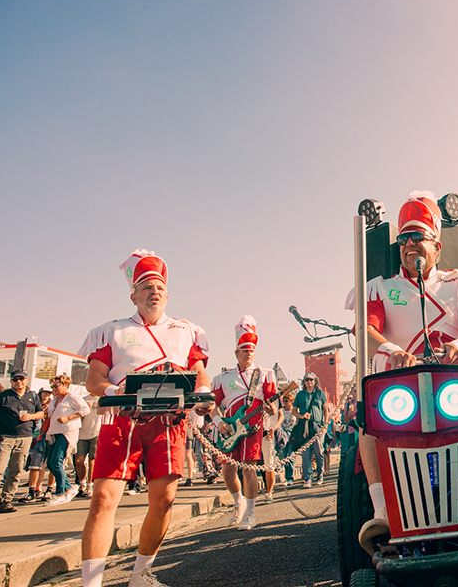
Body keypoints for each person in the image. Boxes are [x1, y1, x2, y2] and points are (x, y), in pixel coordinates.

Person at [345, 190, 458, 552]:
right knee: (370, 421)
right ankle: (383, 514)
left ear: (437, 246)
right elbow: (365, 329)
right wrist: (391, 349)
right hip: (401, 393)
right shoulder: (382, 287)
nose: (410, 244)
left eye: (418, 237)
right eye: (403, 239)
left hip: (452, 390)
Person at [78, 249, 212, 587]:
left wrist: (205, 399)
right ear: (133, 295)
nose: (154, 293)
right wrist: (116, 392)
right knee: (104, 498)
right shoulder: (112, 330)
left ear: (167, 294)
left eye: (160, 288)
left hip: (169, 422)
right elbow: (94, 380)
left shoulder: (187, 331)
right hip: (122, 419)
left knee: (165, 501)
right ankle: (90, 584)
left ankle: (141, 575)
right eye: (146, 287)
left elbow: (199, 375)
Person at [212, 315, 278, 530]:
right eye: (244, 350)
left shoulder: (265, 375)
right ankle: (238, 503)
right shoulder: (222, 378)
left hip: (253, 430)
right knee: (228, 471)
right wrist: (219, 422)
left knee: (249, 470)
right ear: (236, 353)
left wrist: (271, 409)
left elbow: (273, 405)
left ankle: (250, 514)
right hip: (230, 430)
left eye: (251, 350)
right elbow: (212, 405)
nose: (248, 353)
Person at [0, 369, 45, 513]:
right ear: (11, 381)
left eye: (21, 379)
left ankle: (6, 499)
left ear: (27, 380)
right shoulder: (4, 396)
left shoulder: (33, 396)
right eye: (15, 379)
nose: (18, 381)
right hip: (5, 437)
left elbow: (41, 413)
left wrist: (31, 417)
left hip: (25, 437)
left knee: (17, 470)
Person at [44, 374, 90, 506]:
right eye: (52, 386)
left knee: (57, 461)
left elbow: (85, 409)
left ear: (65, 385)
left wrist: (69, 418)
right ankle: (69, 488)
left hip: (66, 432)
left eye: (56, 386)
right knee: (51, 464)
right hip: (54, 433)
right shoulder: (55, 400)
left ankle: (60, 493)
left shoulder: (72, 397)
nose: (54, 388)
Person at [291, 372, 327, 488]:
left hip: (317, 425)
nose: (309, 382)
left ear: (315, 381)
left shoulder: (320, 393)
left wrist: (325, 424)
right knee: (305, 454)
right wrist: (301, 416)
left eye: (311, 380)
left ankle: (320, 475)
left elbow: (325, 409)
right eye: (307, 380)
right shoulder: (300, 395)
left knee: (318, 451)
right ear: (304, 382)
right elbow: (293, 410)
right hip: (304, 426)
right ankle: (308, 478)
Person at [20, 386, 54, 503]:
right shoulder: (35, 403)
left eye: (48, 393)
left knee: (44, 463)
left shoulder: (52, 404)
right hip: (33, 434)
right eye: (44, 393)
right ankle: (33, 488)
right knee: (33, 461)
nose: (46, 395)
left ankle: (39, 486)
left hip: (45, 433)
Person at [75, 389, 101, 497]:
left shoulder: (102, 399)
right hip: (82, 433)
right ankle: (82, 484)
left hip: (96, 432)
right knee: (78, 460)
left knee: (92, 461)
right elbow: (77, 415)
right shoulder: (83, 399)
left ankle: (90, 486)